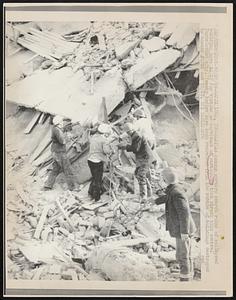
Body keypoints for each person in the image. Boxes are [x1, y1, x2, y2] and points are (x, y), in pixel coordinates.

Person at [155, 167, 196, 281]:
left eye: (161, 178)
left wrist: (184, 232)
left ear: (165, 180)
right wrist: (154, 201)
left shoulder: (176, 193)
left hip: (183, 229)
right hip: (184, 228)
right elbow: (168, 197)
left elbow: (185, 214)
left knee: (182, 255)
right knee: (186, 253)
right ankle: (189, 274)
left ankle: (185, 279)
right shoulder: (174, 189)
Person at [118, 123, 155, 202]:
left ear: (128, 131)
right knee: (139, 174)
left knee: (140, 175)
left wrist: (124, 146)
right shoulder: (135, 135)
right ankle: (149, 194)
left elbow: (135, 149)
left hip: (145, 157)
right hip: (143, 157)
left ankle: (143, 197)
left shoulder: (137, 136)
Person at [44, 115, 76, 191]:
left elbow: (61, 134)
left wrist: (65, 132)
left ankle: (48, 185)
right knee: (68, 169)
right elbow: (63, 141)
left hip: (56, 152)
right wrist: (69, 136)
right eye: (62, 121)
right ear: (59, 122)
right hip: (60, 153)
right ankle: (72, 187)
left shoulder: (55, 128)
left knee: (55, 169)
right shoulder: (57, 130)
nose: (63, 122)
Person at [87, 123, 112, 201]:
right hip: (97, 161)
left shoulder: (93, 137)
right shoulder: (104, 140)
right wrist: (111, 150)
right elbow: (106, 151)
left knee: (94, 177)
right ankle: (96, 197)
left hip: (90, 160)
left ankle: (90, 192)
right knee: (98, 179)